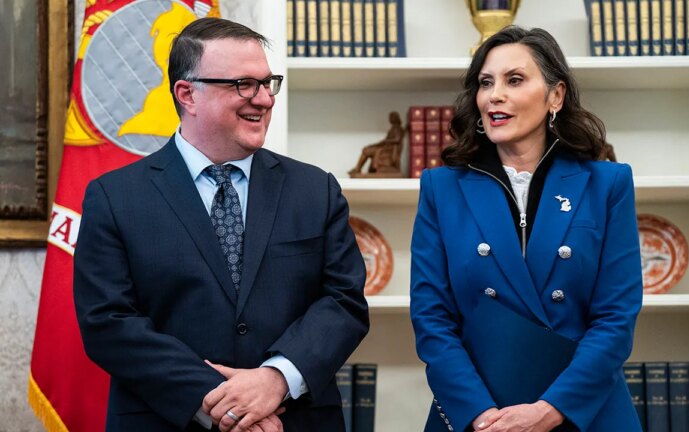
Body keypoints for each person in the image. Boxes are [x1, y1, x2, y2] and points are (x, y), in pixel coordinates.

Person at [74, 18, 369, 432]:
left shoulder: (315, 189)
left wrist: (275, 379)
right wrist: (221, 403)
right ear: (187, 94)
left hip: (293, 420)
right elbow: (109, 323)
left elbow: (344, 302)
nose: (264, 99)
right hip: (168, 421)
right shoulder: (113, 197)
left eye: (269, 83)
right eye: (243, 84)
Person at [410, 26, 643, 432]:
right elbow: (432, 320)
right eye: (486, 83)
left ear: (556, 95)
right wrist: (482, 417)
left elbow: (615, 318)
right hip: (478, 415)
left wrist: (548, 411)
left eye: (514, 80)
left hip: (581, 412)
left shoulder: (608, 184)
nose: (494, 95)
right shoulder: (440, 188)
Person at [348, 111, 405, 176]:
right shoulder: (393, 128)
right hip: (385, 147)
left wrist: (386, 141)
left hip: (388, 150)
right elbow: (384, 141)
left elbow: (397, 139)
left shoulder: (397, 128)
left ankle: (357, 169)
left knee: (366, 151)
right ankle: (357, 169)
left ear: (395, 118)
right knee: (366, 149)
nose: (390, 119)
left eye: (391, 117)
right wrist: (374, 144)